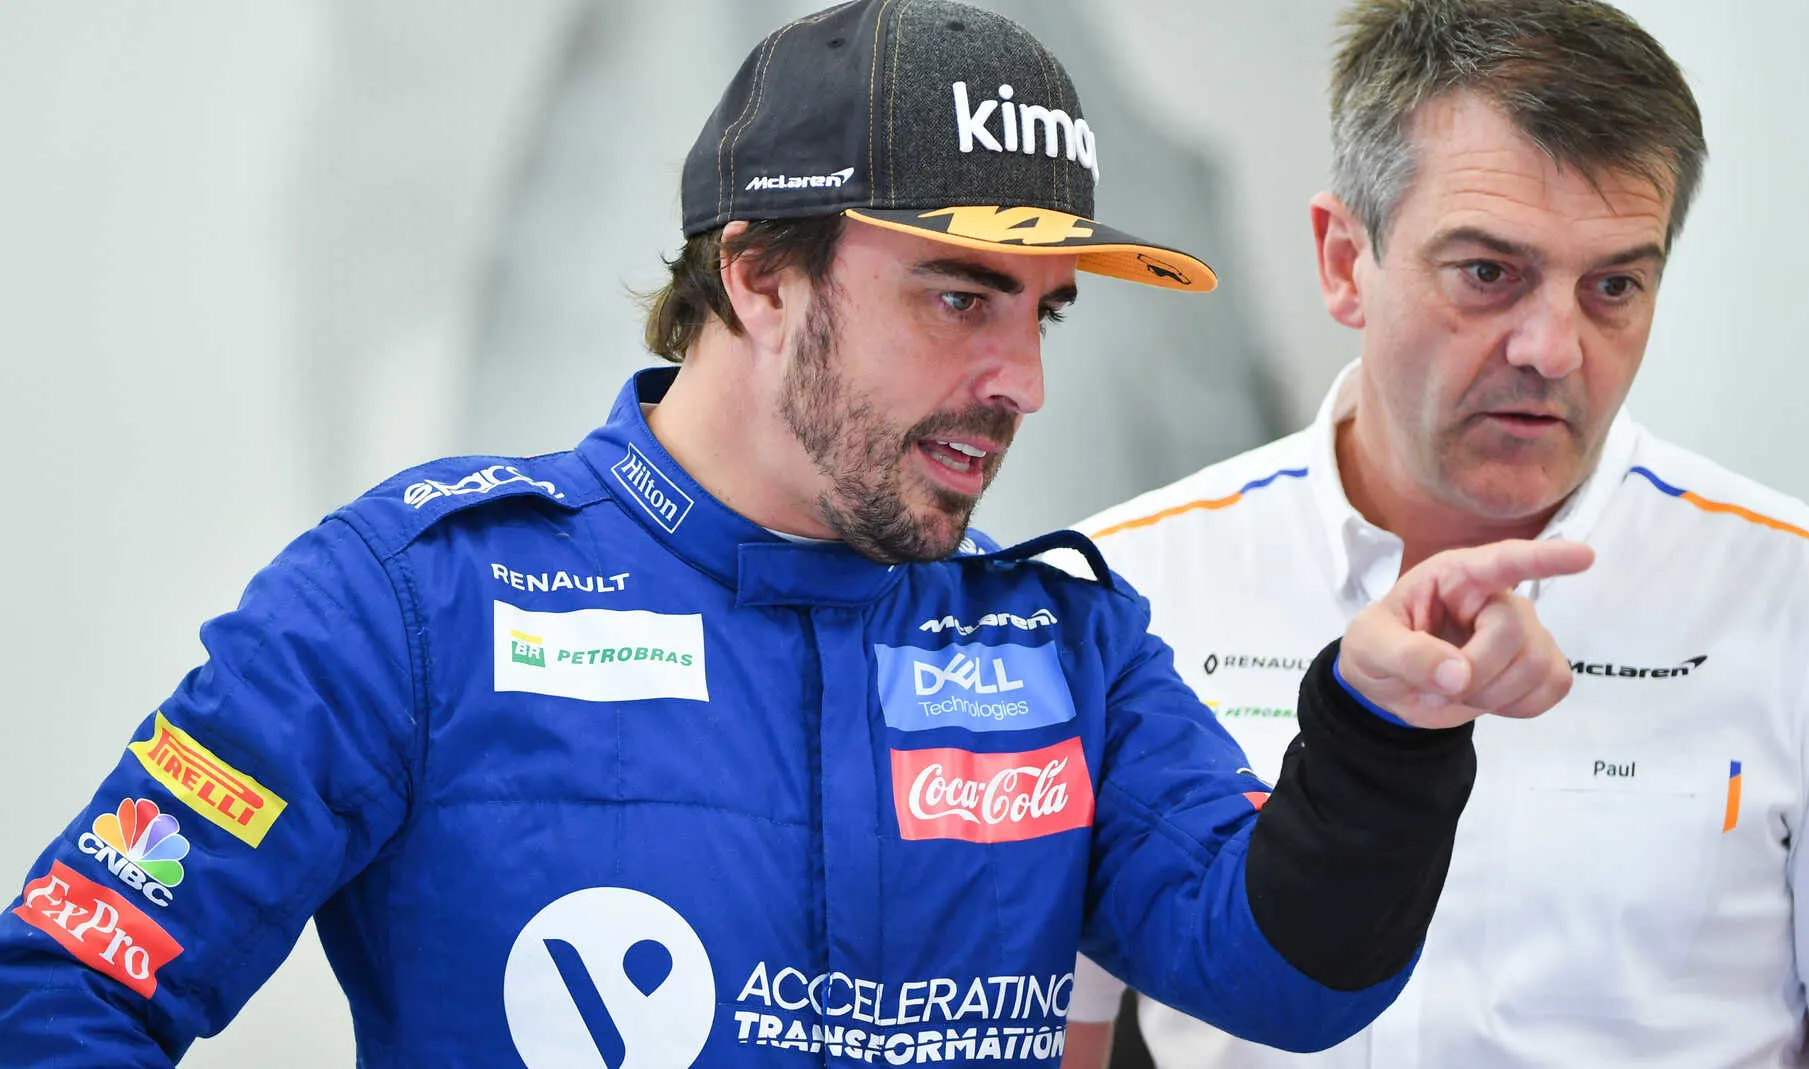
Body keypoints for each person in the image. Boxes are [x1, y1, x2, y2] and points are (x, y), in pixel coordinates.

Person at [0, 2, 1594, 1066]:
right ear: (759, 273)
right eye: (961, 296)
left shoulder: (1065, 648)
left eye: (1046, 313)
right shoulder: (411, 604)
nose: (1022, 380)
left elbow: (1291, 980)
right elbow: (66, 983)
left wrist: (1383, 730)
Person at [1058, 1, 1809, 1067]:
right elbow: (1059, 1039)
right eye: (1487, 274)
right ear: (1341, 260)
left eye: (1613, 287)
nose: (1553, 348)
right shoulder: (1125, 587)